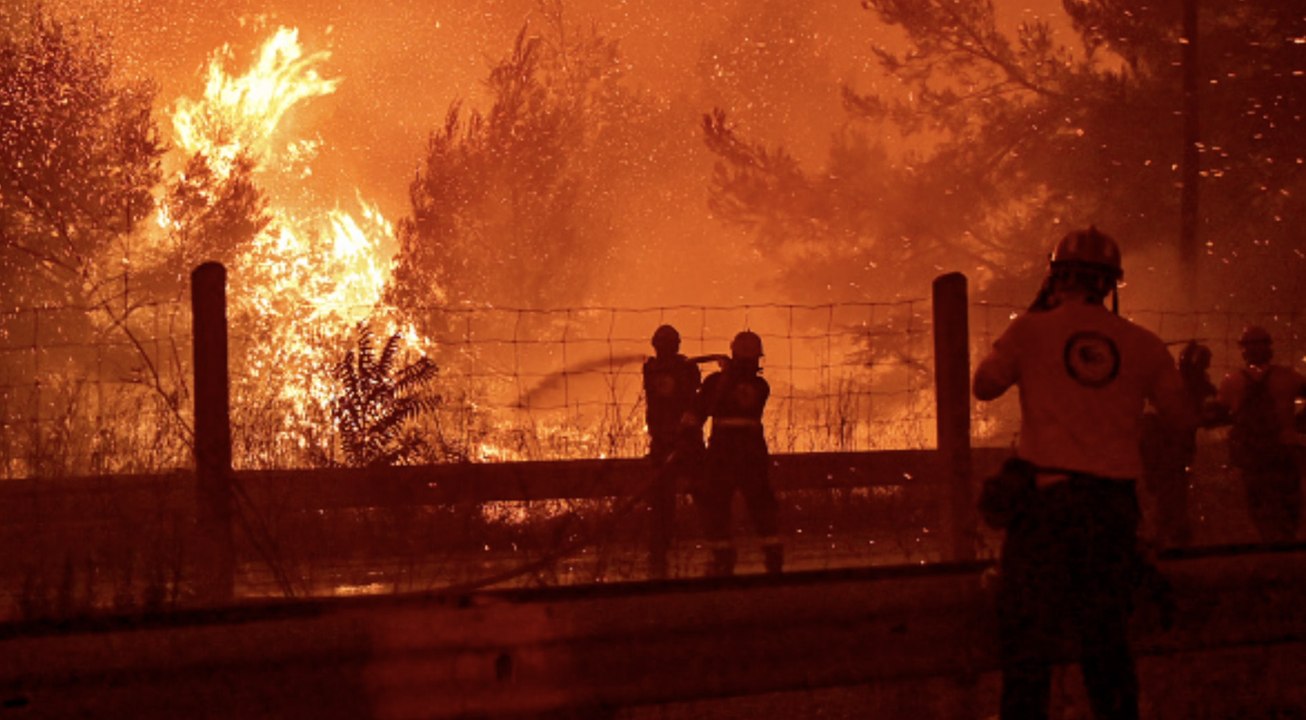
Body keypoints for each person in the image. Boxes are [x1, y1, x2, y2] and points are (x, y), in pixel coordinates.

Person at [973, 226, 1192, 720]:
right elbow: (1181, 419)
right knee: (1107, 645)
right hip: (1111, 510)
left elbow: (984, 385)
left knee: (1029, 648)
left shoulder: (1029, 331)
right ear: (1111, 284)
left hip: (1045, 509)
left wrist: (1032, 319)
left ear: (1055, 279)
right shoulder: (1143, 343)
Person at [692, 330, 781, 577]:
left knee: (718, 503)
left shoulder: (718, 383)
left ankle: (723, 558)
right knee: (760, 503)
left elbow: (700, 412)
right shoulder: (761, 385)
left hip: (723, 454)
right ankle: (773, 557)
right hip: (753, 453)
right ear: (756, 359)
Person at [1215, 325, 1306, 543]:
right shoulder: (1289, 378)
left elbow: (1217, 413)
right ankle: (1288, 545)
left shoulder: (1231, 382)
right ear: (1270, 348)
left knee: (1258, 502)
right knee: (1288, 501)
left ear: (1243, 351)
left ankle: (1268, 544)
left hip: (1252, 455)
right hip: (1284, 450)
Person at [1139, 340, 1218, 547]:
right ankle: (1172, 533)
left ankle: (1169, 532)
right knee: (1171, 489)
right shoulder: (1188, 386)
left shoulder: (1177, 384)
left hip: (1171, 447)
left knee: (1170, 489)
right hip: (1169, 447)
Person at [641, 324, 703, 578]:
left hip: (686, 441)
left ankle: (715, 542)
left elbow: (692, 401)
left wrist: (682, 435)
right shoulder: (652, 369)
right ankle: (660, 547)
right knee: (661, 498)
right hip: (664, 443)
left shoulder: (685, 368)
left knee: (703, 491)